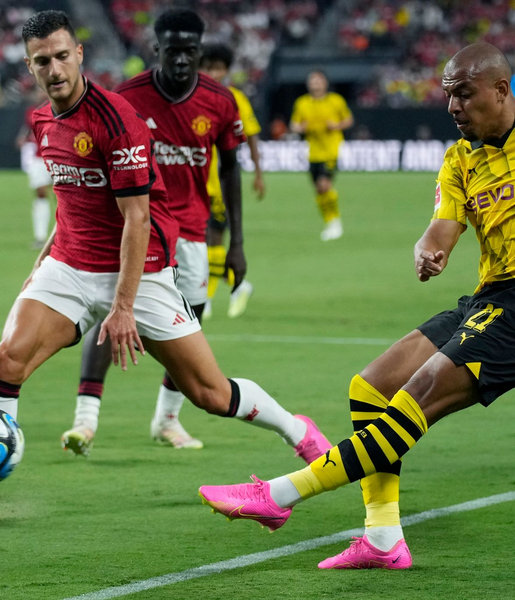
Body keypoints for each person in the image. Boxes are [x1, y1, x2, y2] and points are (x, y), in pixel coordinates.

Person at [199, 42, 515, 569]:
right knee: (371, 386)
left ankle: (278, 495)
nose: (452, 107)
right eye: (448, 96)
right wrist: (429, 250)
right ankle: (383, 538)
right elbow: (441, 229)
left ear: (501, 90)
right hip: (490, 298)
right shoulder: (460, 158)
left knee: (417, 394)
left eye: (463, 95)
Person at [0, 10, 332, 531]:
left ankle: (298, 432)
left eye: (61, 56)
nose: (53, 69)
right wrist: (41, 262)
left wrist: (121, 307)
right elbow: (69, 198)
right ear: (29, 67)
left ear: (79, 55)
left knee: (209, 393)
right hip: (69, 266)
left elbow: (138, 219)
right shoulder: (43, 120)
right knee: (6, 359)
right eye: (41, 61)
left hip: (141, 271)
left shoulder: (117, 121)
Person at [59, 9, 331, 456]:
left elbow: (230, 170)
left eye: (190, 51)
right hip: (135, 230)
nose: (182, 59)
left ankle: (167, 419)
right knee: (112, 313)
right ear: (157, 49)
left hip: (190, 234)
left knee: (190, 324)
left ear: (200, 52)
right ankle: (84, 421)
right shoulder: (126, 97)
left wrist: (237, 243)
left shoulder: (220, 101)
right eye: (173, 50)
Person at [199, 42, 264, 320]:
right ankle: (237, 285)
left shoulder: (235, 98)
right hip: (192, 181)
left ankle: (206, 298)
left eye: (219, 68)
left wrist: (258, 173)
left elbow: (251, 134)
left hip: (219, 183)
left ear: (226, 70)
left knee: (212, 238)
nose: (214, 73)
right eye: (208, 68)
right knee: (196, 243)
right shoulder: (191, 97)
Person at [290, 70, 353, 241]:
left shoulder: (335, 100)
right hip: (313, 153)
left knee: (324, 185)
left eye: (318, 81)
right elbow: (294, 124)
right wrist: (300, 128)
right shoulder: (302, 103)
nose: (315, 84)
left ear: (325, 83)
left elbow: (348, 120)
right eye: (312, 81)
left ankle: (335, 222)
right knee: (318, 189)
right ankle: (330, 221)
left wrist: (336, 125)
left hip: (330, 150)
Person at [15, 95, 54, 248]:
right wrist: (22, 138)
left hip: (59, 157)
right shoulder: (32, 111)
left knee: (63, 197)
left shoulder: (63, 106)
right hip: (40, 158)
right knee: (41, 194)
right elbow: (28, 127)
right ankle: (40, 236)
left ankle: (64, 236)